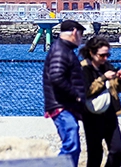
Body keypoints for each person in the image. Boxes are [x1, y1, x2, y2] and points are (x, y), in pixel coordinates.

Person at [43, 19, 88, 167]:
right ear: (74, 32)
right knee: (71, 143)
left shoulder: (63, 49)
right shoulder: (61, 50)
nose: (81, 40)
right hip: (61, 105)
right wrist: (75, 94)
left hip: (65, 104)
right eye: (81, 35)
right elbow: (56, 76)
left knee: (72, 144)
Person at [80, 36, 121, 167]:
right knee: (95, 154)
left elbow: (117, 89)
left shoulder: (107, 66)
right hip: (91, 115)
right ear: (91, 52)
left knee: (117, 151)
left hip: (110, 113)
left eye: (107, 55)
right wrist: (103, 78)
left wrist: (120, 80)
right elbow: (86, 91)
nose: (105, 58)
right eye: (102, 55)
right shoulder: (84, 68)